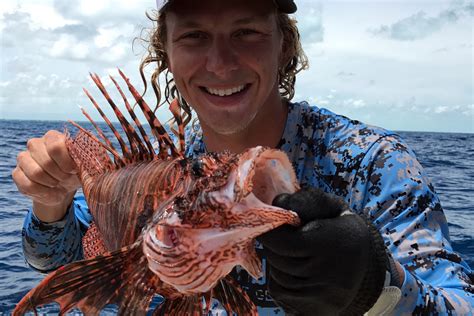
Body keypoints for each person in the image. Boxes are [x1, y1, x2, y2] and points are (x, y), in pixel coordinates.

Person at [12, 0, 473, 314]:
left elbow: (459, 302)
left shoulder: (373, 162)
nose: (220, 62)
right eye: (194, 36)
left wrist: (376, 287)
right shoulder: (162, 173)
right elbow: (58, 261)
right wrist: (49, 204)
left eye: (246, 31)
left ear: (284, 44)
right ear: (167, 54)